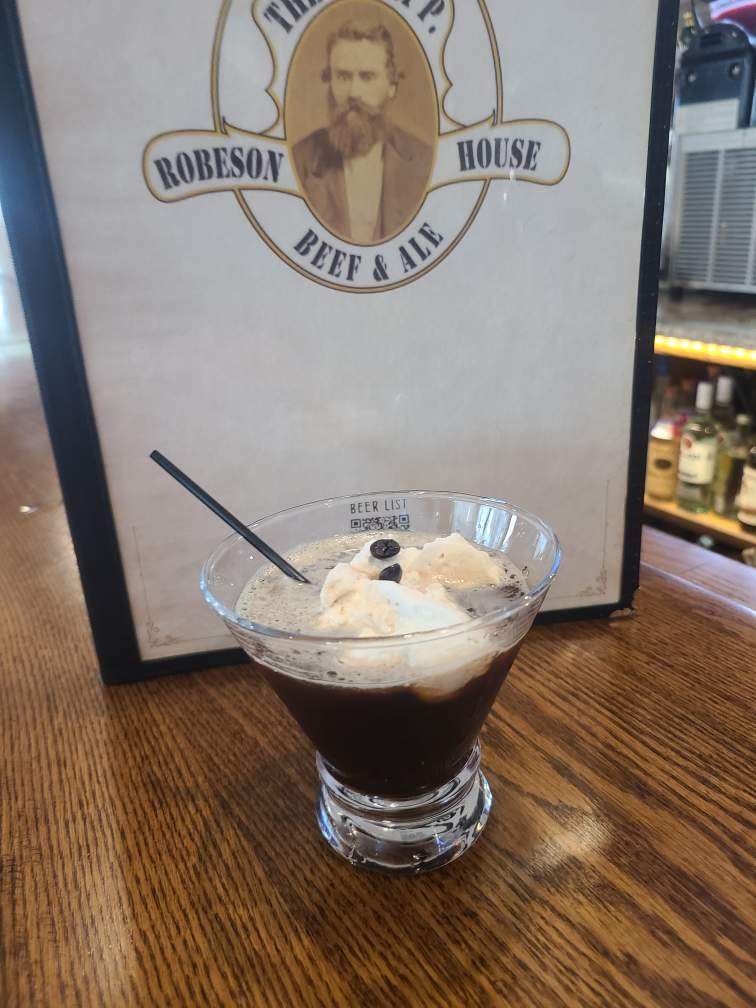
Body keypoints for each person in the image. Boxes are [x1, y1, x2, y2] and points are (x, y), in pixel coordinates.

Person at [292, 18, 433, 244]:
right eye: (343, 76)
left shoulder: (424, 163)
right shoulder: (299, 161)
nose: (353, 92)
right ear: (330, 81)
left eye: (367, 77)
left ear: (392, 85)